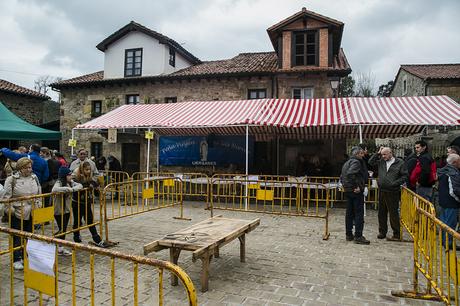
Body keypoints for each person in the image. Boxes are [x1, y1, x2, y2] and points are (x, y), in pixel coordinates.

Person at [2, 157, 42, 270]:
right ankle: (16, 258)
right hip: (18, 212)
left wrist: (38, 204)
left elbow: (39, 192)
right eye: (26, 168)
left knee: (29, 235)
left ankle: (27, 256)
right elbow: (6, 198)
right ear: (20, 168)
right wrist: (11, 211)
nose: (29, 169)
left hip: (32, 212)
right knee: (17, 237)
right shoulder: (11, 179)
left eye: (30, 167)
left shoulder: (35, 177)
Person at [369, 147, 408, 240]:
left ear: (391, 153)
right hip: (382, 190)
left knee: (393, 213)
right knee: (381, 212)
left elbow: (405, 176)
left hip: (393, 191)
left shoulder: (400, 162)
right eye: (382, 155)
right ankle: (382, 232)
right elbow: (370, 162)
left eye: (385, 154)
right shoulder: (381, 161)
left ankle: (396, 234)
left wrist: (395, 183)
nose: (383, 156)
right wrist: (377, 153)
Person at [72, 161, 109, 247]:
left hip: (86, 202)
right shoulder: (76, 178)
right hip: (77, 203)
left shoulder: (88, 177)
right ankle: (76, 237)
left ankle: (96, 239)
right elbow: (76, 187)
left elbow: (93, 183)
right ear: (82, 169)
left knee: (89, 220)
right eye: (86, 170)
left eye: (89, 169)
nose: (88, 171)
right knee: (77, 221)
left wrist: (95, 185)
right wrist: (87, 186)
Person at [340, 146, 370, 245]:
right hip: (355, 191)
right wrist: (356, 186)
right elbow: (350, 174)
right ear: (357, 154)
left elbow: (342, 176)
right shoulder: (356, 162)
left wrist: (346, 186)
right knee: (358, 214)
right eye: (361, 153)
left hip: (348, 190)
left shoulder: (347, 162)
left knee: (349, 213)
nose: (363, 155)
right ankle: (358, 236)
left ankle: (349, 234)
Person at [52, 167, 83, 255]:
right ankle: (56, 243)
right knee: (61, 228)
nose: (71, 176)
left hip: (66, 209)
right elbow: (54, 189)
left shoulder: (70, 182)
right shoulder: (59, 182)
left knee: (64, 228)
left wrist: (72, 189)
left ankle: (60, 246)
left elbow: (80, 186)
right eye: (69, 175)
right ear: (64, 176)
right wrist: (67, 189)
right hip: (59, 209)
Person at [436, 154, 460, 250]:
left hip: (443, 200)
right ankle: (448, 243)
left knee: (444, 222)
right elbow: (454, 189)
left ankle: (444, 241)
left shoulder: (443, 170)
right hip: (451, 201)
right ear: (455, 162)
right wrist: (458, 199)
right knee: (450, 224)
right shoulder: (452, 173)